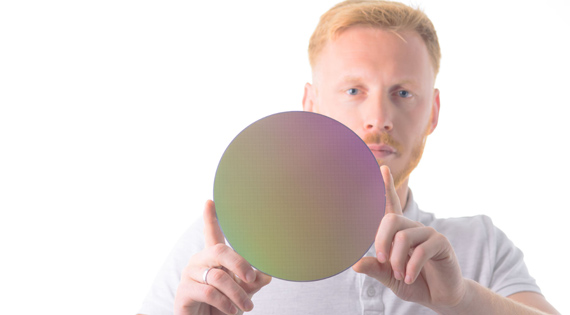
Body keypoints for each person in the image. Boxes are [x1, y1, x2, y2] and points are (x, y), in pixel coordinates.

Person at [138, 1, 559, 314]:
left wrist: (462, 298)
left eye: (403, 93)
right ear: (311, 105)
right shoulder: (225, 252)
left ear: (432, 112)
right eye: (354, 90)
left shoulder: (479, 247)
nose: (379, 117)